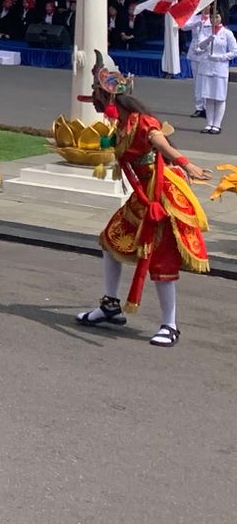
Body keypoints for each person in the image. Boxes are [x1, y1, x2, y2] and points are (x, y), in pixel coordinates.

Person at [73, 55, 209, 347]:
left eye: (99, 102)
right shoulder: (120, 125)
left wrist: (187, 164)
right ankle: (110, 305)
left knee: (160, 256)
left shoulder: (141, 121)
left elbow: (159, 141)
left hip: (162, 192)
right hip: (142, 193)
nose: (99, 110)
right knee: (111, 241)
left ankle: (169, 324)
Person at [191, 5, 237, 135]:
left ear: (221, 17)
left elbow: (234, 51)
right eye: (212, 17)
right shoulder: (205, 31)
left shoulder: (227, 33)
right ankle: (209, 123)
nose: (214, 19)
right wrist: (208, 40)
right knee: (208, 97)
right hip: (206, 67)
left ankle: (217, 125)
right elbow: (198, 48)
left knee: (219, 97)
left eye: (216, 16)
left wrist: (220, 57)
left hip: (220, 68)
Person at [186, 6, 212, 119]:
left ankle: (207, 107)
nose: (205, 8)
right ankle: (199, 107)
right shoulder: (195, 18)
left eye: (208, 5)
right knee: (197, 81)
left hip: (206, 53)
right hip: (194, 51)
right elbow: (183, 26)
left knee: (205, 81)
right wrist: (196, 23)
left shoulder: (213, 19)